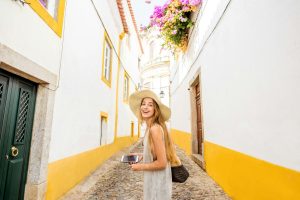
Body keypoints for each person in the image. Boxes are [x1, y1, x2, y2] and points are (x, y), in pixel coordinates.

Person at [128, 90, 180, 200]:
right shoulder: (150, 128)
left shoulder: (154, 129)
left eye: (150, 105)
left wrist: (139, 167)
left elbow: (162, 163)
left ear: (155, 109)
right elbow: (155, 152)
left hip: (157, 184)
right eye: (143, 104)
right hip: (154, 181)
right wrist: (142, 155)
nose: (145, 107)